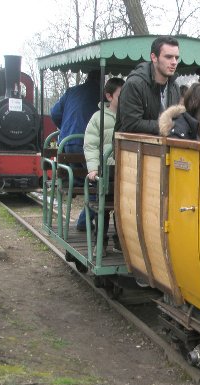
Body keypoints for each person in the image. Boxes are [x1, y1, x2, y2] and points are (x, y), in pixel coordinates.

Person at [50, 69, 100, 231]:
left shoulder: (71, 92)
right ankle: (84, 221)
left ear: (87, 77)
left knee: (80, 177)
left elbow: (54, 113)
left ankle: (72, 181)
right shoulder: (102, 94)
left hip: (66, 144)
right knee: (99, 184)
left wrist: (65, 128)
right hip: (86, 145)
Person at [84, 77, 125, 255]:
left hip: (124, 171)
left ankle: (120, 241)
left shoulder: (129, 116)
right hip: (106, 171)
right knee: (103, 208)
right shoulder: (98, 118)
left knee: (122, 207)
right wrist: (93, 168)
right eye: (121, 95)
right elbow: (91, 145)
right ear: (109, 96)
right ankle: (100, 242)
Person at [115, 36, 181, 135]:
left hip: (163, 143)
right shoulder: (134, 84)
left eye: (176, 58)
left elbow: (177, 120)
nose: (174, 62)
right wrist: (167, 125)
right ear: (154, 57)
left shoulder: (174, 87)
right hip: (131, 144)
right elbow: (131, 124)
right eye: (168, 57)